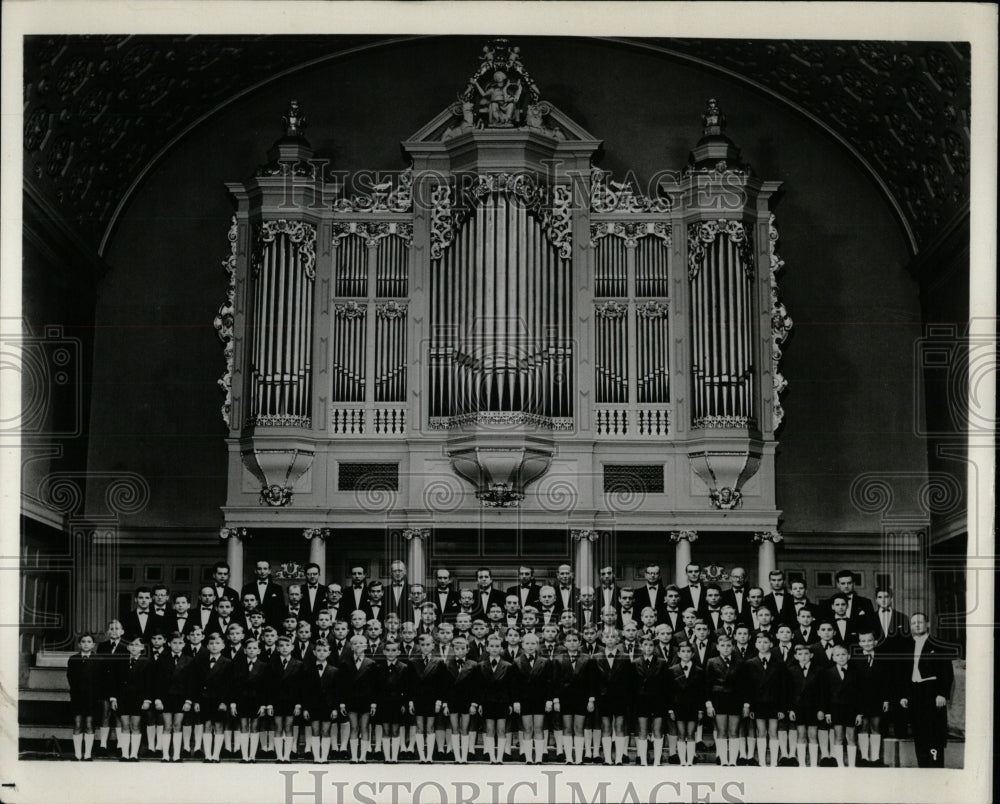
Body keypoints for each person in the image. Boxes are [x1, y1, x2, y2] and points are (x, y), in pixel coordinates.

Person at [899, 612, 955, 768]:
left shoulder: (938, 644)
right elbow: (903, 673)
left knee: (934, 733)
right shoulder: (908, 645)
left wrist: (942, 694)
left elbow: (946, 672)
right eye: (913, 623)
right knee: (919, 732)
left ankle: (935, 768)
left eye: (920, 622)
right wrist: (904, 695)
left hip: (933, 692)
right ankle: (923, 768)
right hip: (915, 693)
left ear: (928, 624)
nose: (917, 625)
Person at [739, 632, 787, 768]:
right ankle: (761, 761)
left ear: (771, 644)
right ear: (755, 645)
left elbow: (783, 688)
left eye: (766, 642)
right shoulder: (750, 663)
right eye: (759, 642)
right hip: (758, 704)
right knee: (761, 731)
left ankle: (773, 762)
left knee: (773, 731)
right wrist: (748, 706)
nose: (763, 645)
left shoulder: (779, 664)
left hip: (774, 704)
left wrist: (782, 708)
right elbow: (747, 687)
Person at [552, 629, 596, 765]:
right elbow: (554, 682)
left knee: (579, 728)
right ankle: (569, 758)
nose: (572, 643)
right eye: (569, 641)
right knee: (567, 728)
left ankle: (579, 758)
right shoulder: (558, 659)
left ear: (579, 642)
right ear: (564, 643)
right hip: (565, 699)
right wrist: (556, 700)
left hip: (581, 699)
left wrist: (591, 699)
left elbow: (592, 681)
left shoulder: (587, 659)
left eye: (575, 640)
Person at [593, 627, 634, 765]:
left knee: (620, 726)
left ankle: (618, 758)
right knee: (606, 727)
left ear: (618, 639)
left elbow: (629, 680)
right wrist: (595, 697)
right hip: (603, 698)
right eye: (607, 637)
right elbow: (594, 680)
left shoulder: (625, 656)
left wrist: (627, 697)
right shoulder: (596, 657)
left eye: (613, 637)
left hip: (620, 697)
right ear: (603, 639)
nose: (610, 639)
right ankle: (608, 759)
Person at [153, 631, 195, 763]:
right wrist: (158, 699)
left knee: (178, 725)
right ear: (169, 644)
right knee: (167, 726)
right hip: (166, 698)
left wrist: (188, 701)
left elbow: (191, 683)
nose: (177, 646)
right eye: (174, 643)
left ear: (184, 644)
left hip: (181, 698)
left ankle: (176, 755)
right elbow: (157, 681)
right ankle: (165, 755)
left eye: (180, 643)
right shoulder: (162, 659)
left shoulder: (189, 660)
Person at [192, 632, 233, 763]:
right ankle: (208, 755)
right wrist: (196, 701)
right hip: (204, 699)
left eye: (217, 643)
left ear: (223, 645)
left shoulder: (227, 662)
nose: (214, 646)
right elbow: (196, 683)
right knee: (207, 725)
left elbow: (229, 685)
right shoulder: (200, 661)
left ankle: (216, 755)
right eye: (211, 643)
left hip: (219, 700)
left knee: (219, 726)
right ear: (207, 646)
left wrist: (224, 702)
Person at [229, 636, 271, 762]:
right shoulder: (237, 665)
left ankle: (252, 756)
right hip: (242, 700)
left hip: (257, 702)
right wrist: (233, 703)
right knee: (243, 727)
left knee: (254, 727)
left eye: (254, 648)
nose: (252, 650)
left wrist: (264, 705)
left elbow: (266, 687)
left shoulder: (264, 666)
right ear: (244, 650)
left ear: (259, 651)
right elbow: (233, 686)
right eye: (249, 648)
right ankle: (244, 756)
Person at [852, 630, 891, 766]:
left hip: (877, 699)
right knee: (863, 727)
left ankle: (875, 758)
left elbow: (887, 681)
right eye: (863, 641)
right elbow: (853, 683)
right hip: (860, 700)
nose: (867, 643)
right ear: (859, 643)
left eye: (869, 640)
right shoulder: (854, 659)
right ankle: (864, 758)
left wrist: (886, 699)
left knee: (875, 727)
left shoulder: (882, 658)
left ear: (875, 642)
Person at [112, 635, 153, 761]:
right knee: (124, 725)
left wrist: (147, 700)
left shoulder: (147, 662)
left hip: (138, 699)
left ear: (142, 648)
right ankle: (125, 754)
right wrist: (113, 698)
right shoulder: (121, 661)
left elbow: (150, 683)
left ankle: (134, 754)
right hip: (123, 698)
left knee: (135, 726)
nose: (134, 647)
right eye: (131, 645)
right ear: (128, 647)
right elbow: (115, 681)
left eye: (137, 645)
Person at [633, 635, 671, 766]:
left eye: (650, 645)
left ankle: (657, 760)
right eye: (645, 645)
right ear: (641, 646)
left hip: (658, 701)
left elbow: (666, 685)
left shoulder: (661, 662)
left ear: (654, 647)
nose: (648, 647)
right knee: (642, 730)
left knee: (657, 730)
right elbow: (633, 685)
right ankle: (643, 760)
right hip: (641, 701)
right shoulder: (635, 662)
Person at [820, 644, 860, 766]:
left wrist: (859, 713)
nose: (841, 657)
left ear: (848, 656)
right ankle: (840, 765)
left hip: (851, 709)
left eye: (843, 654)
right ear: (833, 658)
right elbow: (825, 694)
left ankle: (852, 765)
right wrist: (827, 712)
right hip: (835, 708)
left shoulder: (855, 672)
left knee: (851, 737)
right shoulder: (828, 673)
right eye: (837, 655)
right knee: (838, 736)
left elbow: (860, 694)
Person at [705, 634, 742, 767]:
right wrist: (709, 704)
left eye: (728, 645)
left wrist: (745, 703)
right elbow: (707, 685)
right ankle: (723, 760)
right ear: (717, 647)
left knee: (733, 731)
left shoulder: (739, 662)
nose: (726, 648)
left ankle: (732, 760)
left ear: (732, 647)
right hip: (718, 700)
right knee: (721, 730)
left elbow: (743, 685)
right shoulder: (712, 661)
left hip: (735, 700)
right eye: (723, 646)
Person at [341, 634, 379, 763]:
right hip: (351, 700)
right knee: (354, 727)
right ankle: (354, 756)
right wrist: (342, 703)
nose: (358, 645)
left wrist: (373, 703)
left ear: (366, 646)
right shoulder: (345, 663)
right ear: (351, 646)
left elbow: (375, 686)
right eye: (355, 643)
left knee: (365, 727)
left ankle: (363, 756)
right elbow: (343, 685)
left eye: (361, 643)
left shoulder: (371, 663)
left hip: (366, 701)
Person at [301, 639, 340, 764]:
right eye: (319, 650)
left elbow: (336, 692)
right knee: (315, 730)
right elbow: (305, 691)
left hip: (328, 706)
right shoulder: (307, 670)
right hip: (313, 706)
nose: (321, 653)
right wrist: (306, 708)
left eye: (324, 651)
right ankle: (316, 757)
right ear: (314, 652)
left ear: (329, 652)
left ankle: (324, 757)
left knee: (326, 731)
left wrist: (335, 708)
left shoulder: (334, 671)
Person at [477, 633, 514, 764]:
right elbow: (479, 687)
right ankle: (492, 757)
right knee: (490, 729)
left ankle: (500, 758)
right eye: (491, 646)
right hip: (487, 702)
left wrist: (510, 704)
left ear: (501, 648)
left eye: (497, 646)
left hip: (502, 702)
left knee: (501, 729)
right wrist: (480, 704)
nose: (494, 648)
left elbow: (511, 687)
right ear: (486, 648)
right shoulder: (481, 665)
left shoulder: (508, 666)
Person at [441, 635, 478, 763]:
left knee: (465, 729)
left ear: (467, 649)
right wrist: (445, 704)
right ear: (453, 650)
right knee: (454, 728)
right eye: (457, 649)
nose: (460, 651)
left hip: (467, 701)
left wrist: (474, 704)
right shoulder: (447, 664)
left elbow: (476, 687)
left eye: (463, 648)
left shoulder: (473, 665)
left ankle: (464, 757)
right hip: (452, 701)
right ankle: (457, 757)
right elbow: (444, 686)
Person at [786, 643, 823, 767]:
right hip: (798, 708)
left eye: (806, 654)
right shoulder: (791, 670)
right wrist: (791, 709)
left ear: (811, 655)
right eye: (800, 654)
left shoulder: (819, 670)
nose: (803, 656)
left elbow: (823, 692)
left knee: (813, 735)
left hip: (814, 708)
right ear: (796, 656)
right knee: (801, 734)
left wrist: (821, 709)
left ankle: (813, 764)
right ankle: (801, 764)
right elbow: (789, 692)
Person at [96, 619, 128, 756]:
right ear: (108, 631)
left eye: (117, 628)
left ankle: (120, 745)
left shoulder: (127, 646)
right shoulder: (102, 646)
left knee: (119, 716)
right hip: (104, 686)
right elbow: (99, 666)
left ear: (122, 631)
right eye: (111, 629)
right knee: (105, 714)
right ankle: (103, 745)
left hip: (121, 687)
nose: (114, 631)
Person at [67, 632, 101, 761]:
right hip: (77, 697)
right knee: (77, 724)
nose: (86, 644)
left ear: (93, 645)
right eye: (83, 642)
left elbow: (99, 680)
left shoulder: (98, 660)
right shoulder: (73, 659)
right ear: (79, 644)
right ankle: (77, 754)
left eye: (89, 642)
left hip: (92, 698)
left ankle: (87, 754)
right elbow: (71, 678)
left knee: (89, 724)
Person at [270, 635, 303, 763]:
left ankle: (287, 756)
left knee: (289, 726)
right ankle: (279, 756)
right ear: (277, 648)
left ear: (292, 647)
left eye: (287, 645)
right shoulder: (272, 664)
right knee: (278, 727)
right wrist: (270, 704)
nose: (284, 648)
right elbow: (269, 687)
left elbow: (301, 687)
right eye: (281, 646)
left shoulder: (298, 664)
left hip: (292, 702)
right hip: (277, 701)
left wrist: (298, 704)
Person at [669, 641, 703, 766]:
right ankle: (683, 760)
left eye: (688, 651)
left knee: (691, 733)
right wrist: (671, 709)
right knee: (681, 733)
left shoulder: (699, 670)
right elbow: (670, 692)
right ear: (678, 653)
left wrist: (700, 710)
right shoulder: (672, 670)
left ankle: (690, 760)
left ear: (693, 653)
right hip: (678, 706)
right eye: (683, 651)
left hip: (693, 706)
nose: (686, 654)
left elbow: (701, 692)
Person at [242, 560, 286, 624]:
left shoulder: (277, 588)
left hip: (271, 624)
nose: (262, 571)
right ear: (255, 571)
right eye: (259, 569)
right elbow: (243, 608)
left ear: (269, 571)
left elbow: (281, 609)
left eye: (265, 569)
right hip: (252, 623)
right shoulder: (247, 588)